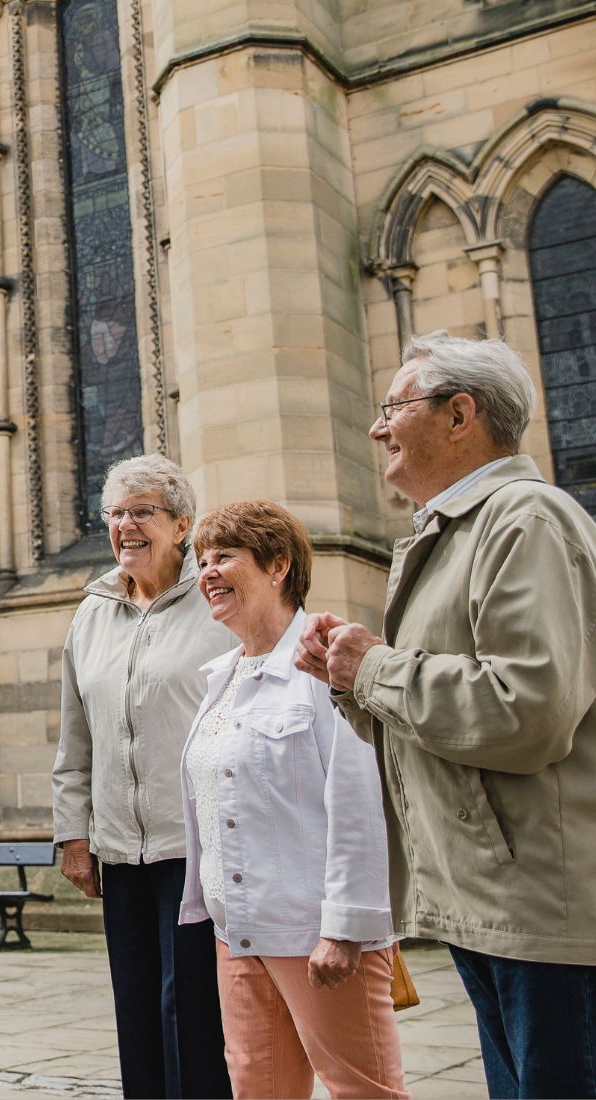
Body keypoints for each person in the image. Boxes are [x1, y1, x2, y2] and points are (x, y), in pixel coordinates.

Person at [297, 333, 596, 1099]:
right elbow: (444, 719)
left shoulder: (524, 519)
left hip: (542, 909)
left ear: (461, 414)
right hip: (491, 901)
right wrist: (350, 682)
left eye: (395, 406)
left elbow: (526, 710)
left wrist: (377, 669)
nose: (376, 427)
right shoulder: (459, 529)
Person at [180, 500, 404, 1099]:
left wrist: (346, 928)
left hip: (316, 937)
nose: (207, 571)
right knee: (260, 1091)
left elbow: (361, 804)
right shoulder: (221, 678)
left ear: (278, 565)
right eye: (202, 560)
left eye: (225, 555)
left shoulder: (324, 662)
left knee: (364, 1090)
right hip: (238, 935)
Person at [51, 453, 235, 1099]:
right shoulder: (93, 610)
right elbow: (76, 738)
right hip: (120, 850)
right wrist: (75, 835)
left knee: (192, 1006)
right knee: (135, 1006)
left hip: (197, 847)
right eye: (116, 513)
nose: (126, 526)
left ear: (182, 525)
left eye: (143, 512)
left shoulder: (217, 605)